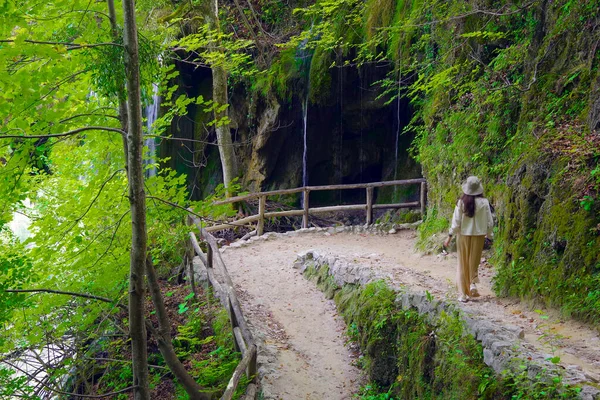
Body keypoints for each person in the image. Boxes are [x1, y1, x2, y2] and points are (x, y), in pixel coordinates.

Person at [443, 176, 494, 303]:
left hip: (463, 235)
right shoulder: (484, 202)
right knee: (474, 261)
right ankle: (472, 284)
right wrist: (490, 236)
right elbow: (489, 222)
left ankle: (462, 294)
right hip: (479, 236)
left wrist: (449, 236)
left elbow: (456, 222)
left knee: (462, 263)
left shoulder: (461, 202)